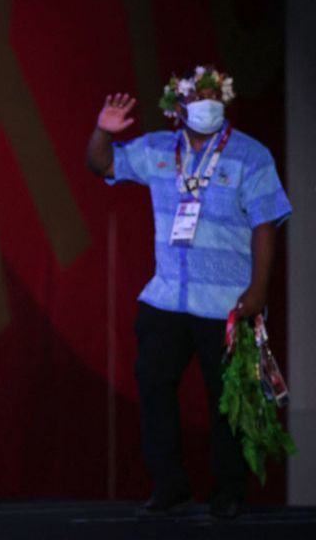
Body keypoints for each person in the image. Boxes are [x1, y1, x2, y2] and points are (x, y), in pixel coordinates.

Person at [86, 66, 292, 519]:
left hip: (227, 304)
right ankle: (169, 484)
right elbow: (101, 163)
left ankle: (229, 491)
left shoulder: (250, 156)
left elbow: (266, 226)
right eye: (198, 97)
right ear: (178, 108)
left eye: (214, 96)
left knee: (229, 400)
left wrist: (257, 290)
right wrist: (103, 130)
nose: (207, 103)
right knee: (154, 386)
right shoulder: (159, 149)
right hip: (166, 299)